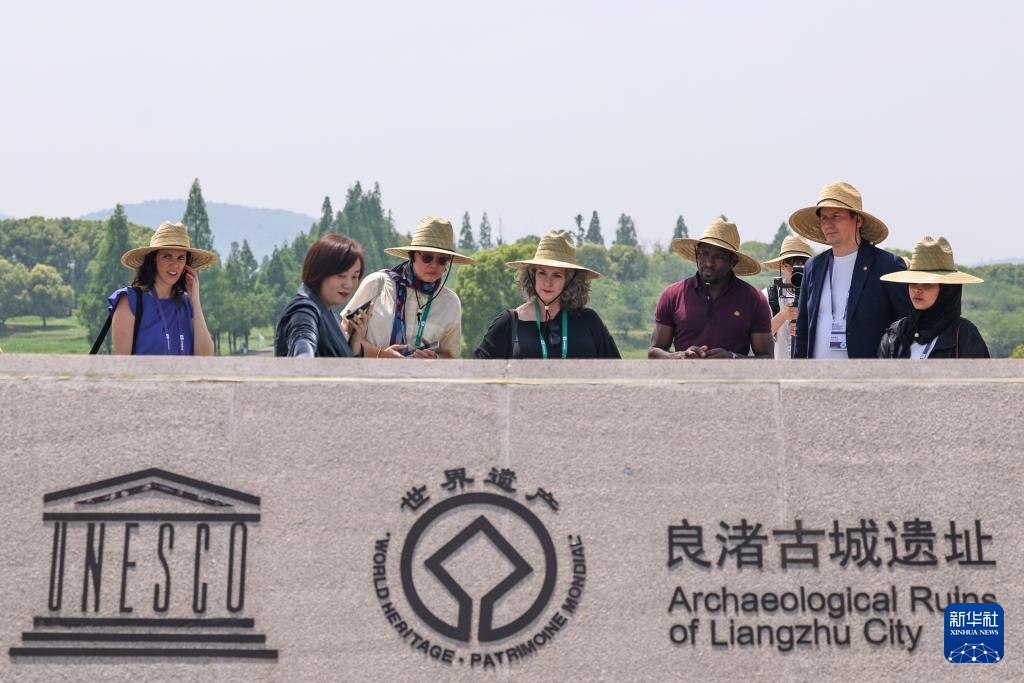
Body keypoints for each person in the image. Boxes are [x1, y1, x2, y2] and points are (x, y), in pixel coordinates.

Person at [790, 181, 913, 358]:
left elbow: (907, 326)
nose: (828, 224)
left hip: (869, 373)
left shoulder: (887, 266)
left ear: (858, 220)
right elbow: (802, 331)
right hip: (816, 373)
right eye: (824, 218)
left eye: (836, 216)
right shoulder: (813, 267)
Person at [342, 216, 474, 359]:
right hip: (369, 372)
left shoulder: (450, 302)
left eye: (442, 260)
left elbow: (451, 355)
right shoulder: (378, 284)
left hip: (421, 374)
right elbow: (345, 333)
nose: (434, 265)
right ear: (412, 256)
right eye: (427, 257)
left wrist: (435, 359)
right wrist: (381, 354)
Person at [474, 230, 620, 359]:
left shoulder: (589, 321)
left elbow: (618, 373)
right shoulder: (508, 322)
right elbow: (477, 374)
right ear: (532, 276)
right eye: (542, 273)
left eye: (557, 275)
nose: (547, 282)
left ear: (570, 281)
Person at [649, 218, 772, 359]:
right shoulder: (673, 295)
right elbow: (654, 351)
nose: (708, 263)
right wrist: (680, 357)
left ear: (733, 261)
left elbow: (767, 357)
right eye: (704, 253)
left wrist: (732, 358)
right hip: (684, 373)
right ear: (696, 254)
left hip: (734, 374)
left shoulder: (754, 299)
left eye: (718, 256)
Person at [109, 221, 217, 355]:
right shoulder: (130, 301)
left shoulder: (187, 304)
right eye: (167, 256)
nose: (175, 264)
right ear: (153, 259)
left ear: (187, 264)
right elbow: (123, 362)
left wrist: (195, 300)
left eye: (181, 258)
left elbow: (205, 356)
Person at [878, 236, 989, 358]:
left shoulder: (965, 334)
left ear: (946, 290)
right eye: (913, 283)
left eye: (927, 284)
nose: (917, 290)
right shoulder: (895, 334)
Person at [275, 233, 371, 357]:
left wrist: (354, 342)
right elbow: (303, 345)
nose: (349, 284)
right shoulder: (304, 311)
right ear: (319, 271)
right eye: (341, 275)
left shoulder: (327, 313)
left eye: (354, 276)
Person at [761, 235, 814, 359]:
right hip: (779, 367)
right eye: (789, 265)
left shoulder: (818, 294)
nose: (793, 270)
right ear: (782, 265)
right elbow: (761, 336)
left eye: (800, 265)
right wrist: (782, 316)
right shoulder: (769, 295)